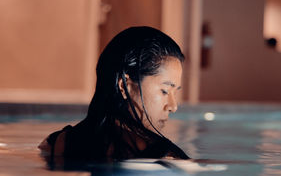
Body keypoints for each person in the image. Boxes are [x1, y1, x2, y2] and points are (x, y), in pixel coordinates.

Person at [38, 26, 189, 161]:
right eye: (164, 91)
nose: (173, 106)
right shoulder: (166, 158)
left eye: (175, 93)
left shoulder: (55, 144)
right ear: (125, 86)